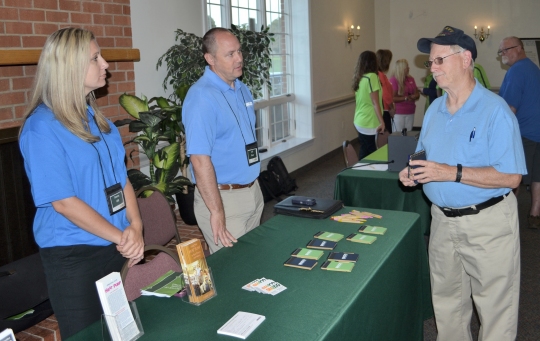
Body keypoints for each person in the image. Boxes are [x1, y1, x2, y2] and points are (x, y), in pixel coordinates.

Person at [400, 26, 526, 340]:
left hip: (489, 225)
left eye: (440, 60)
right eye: (431, 62)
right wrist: (412, 172)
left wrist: (452, 172)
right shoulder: (433, 111)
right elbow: (423, 154)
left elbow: (511, 177)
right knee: (447, 309)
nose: (433, 68)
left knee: (496, 312)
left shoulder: (495, 111)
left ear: (466, 59)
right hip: (442, 222)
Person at [18, 28, 144, 339]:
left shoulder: (100, 122)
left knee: (122, 334)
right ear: (70, 68)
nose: (105, 64)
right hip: (74, 258)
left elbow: (121, 179)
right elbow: (63, 202)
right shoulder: (41, 127)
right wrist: (122, 236)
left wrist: (137, 225)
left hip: (115, 247)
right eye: (95, 58)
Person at [182, 27, 263, 254]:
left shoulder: (242, 88)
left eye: (239, 51)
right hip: (224, 201)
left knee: (253, 264)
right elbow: (199, 160)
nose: (239, 59)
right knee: (234, 274)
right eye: (230, 54)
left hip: (252, 193)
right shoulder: (201, 97)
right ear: (210, 59)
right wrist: (216, 211)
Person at [498, 36, 540, 229]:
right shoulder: (533, 68)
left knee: (513, 177)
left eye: (506, 50)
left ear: (520, 48)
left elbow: (509, 109)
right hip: (537, 131)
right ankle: (534, 215)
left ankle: (507, 218)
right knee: (538, 176)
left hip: (523, 133)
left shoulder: (516, 71)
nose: (503, 55)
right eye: (501, 52)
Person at [351, 50, 385, 159]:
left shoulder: (359, 78)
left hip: (360, 120)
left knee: (364, 150)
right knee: (373, 154)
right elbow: (375, 102)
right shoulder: (372, 77)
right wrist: (382, 122)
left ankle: (361, 172)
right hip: (370, 122)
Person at [390, 59, 420, 132]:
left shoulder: (411, 79)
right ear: (401, 68)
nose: (409, 68)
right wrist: (406, 98)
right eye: (407, 67)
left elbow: (417, 93)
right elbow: (392, 98)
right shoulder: (394, 80)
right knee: (398, 135)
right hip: (399, 112)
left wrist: (415, 96)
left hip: (410, 111)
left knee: (408, 134)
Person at [376, 49, 395, 133]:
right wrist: (391, 107)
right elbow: (385, 95)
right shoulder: (380, 75)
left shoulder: (380, 74)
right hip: (385, 111)